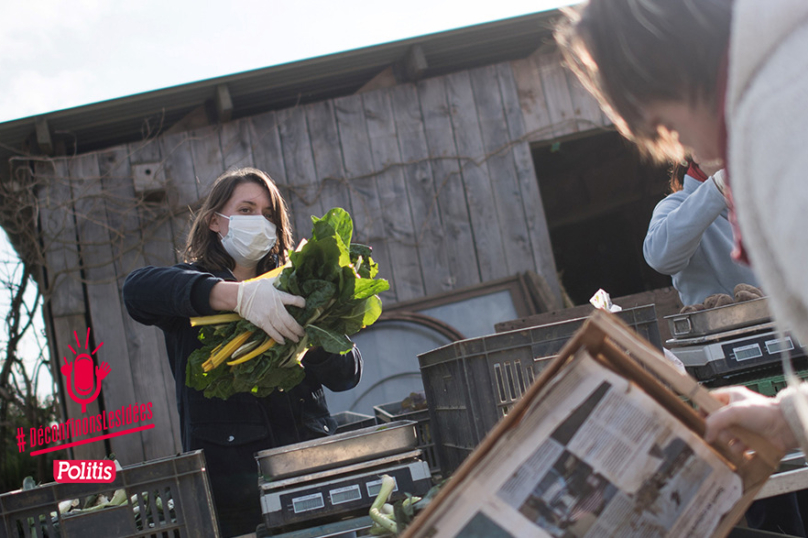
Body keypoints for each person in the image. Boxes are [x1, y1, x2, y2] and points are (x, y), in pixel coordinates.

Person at [556, 0, 808, 532]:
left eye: (669, 124)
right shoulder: (677, 208)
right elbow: (661, 254)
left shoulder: (780, 122)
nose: (691, 146)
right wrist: (788, 419)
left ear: (677, 66)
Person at [123, 167, 362, 536]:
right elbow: (136, 291)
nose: (259, 221)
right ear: (215, 221)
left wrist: (311, 335)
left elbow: (348, 375)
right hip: (234, 493)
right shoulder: (190, 289)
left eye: (269, 214)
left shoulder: (298, 284)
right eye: (247, 210)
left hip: (311, 471)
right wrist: (239, 297)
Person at [643, 157, 758, 307]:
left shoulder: (758, 197)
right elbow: (658, 256)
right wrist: (718, 186)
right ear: (694, 153)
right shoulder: (675, 204)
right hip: (727, 327)